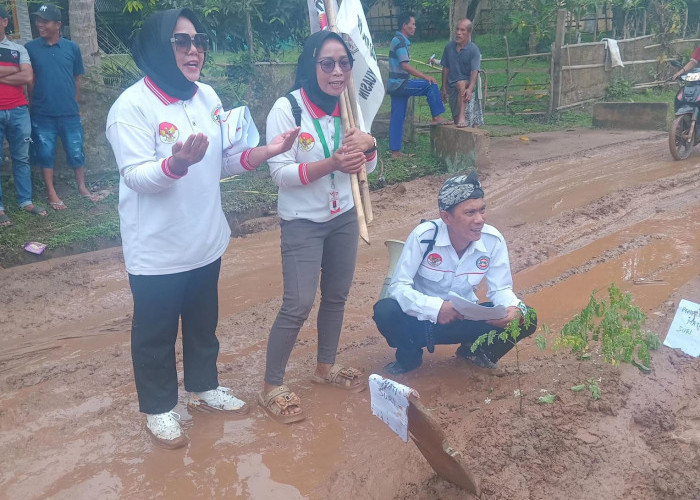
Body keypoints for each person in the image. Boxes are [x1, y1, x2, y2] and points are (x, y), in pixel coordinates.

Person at [105, 8, 298, 449]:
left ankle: (203, 388)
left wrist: (266, 150)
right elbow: (136, 174)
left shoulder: (206, 96)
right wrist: (175, 164)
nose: (194, 50)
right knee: (154, 335)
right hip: (156, 249)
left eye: (200, 41)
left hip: (205, 239)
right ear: (159, 46)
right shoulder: (131, 107)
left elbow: (224, 161)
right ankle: (158, 409)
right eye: (182, 41)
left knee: (201, 323)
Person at [262, 30, 378, 423]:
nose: (337, 71)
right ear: (311, 65)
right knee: (297, 303)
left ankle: (324, 368)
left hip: (344, 216)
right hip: (302, 223)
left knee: (336, 296)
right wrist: (332, 164)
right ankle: (271, 386)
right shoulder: (287, 109)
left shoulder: (350, 108)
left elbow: (368, 165)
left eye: (344, 63)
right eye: (327, 63)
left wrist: (369, 146)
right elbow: (279, 174)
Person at [373, 172, 537, 375]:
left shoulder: (493, 240)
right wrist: (437, 308)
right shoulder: (424, 237)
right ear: (446, 217)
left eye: (482, 210)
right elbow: (398, 287)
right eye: (470, 213)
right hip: (421, 321)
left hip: (464, 319)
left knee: (527, 317)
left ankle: (476, 353)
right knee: (385, 310)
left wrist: (513, 308)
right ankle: (409, 357)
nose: (480, 220)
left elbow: (501, 288)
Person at [25, 4, 99, 210]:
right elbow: (31, 80)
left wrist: (73, 102)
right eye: (38, 20)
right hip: (42, 113)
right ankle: (51, 192)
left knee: (76, 151)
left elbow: (76, 78)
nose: (40, 24)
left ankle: (82, 187)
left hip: (69, 113)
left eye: (45, 21)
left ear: (58, 24)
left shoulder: (72, 48)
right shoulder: (30, 48)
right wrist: (34, 104)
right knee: (45, 152)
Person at [0, 5, 46, 226]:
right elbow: (21, 73)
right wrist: (13, 70)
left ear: (5, 21)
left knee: (22, 158)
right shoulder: (18, 55)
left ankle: (25, 201)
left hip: (19, 110)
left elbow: (27, 76)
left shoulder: (18, 49)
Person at [388, 13, 450, 158]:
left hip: (393, 85)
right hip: (400, 84)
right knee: (430, 84)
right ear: (404, 26)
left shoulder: (397, 39)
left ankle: (395, 152)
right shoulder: (400, 41)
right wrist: (425, 76)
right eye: (413, 24)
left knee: (397, 117)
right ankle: (437, 117)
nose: (414, 27)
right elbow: (405, 65)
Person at [440, 19, 483, 128]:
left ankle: (462, 117)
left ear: (469, 33)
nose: (458, 33)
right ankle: (457, 120)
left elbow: (474, 72)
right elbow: (446, 68)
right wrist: (443, 88)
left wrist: (470, 89)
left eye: (462, 30)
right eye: (457, 29)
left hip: (466, 83)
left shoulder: (474, 50)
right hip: (452, 85)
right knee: (456, 120)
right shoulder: (449, 47)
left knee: (461, 84)